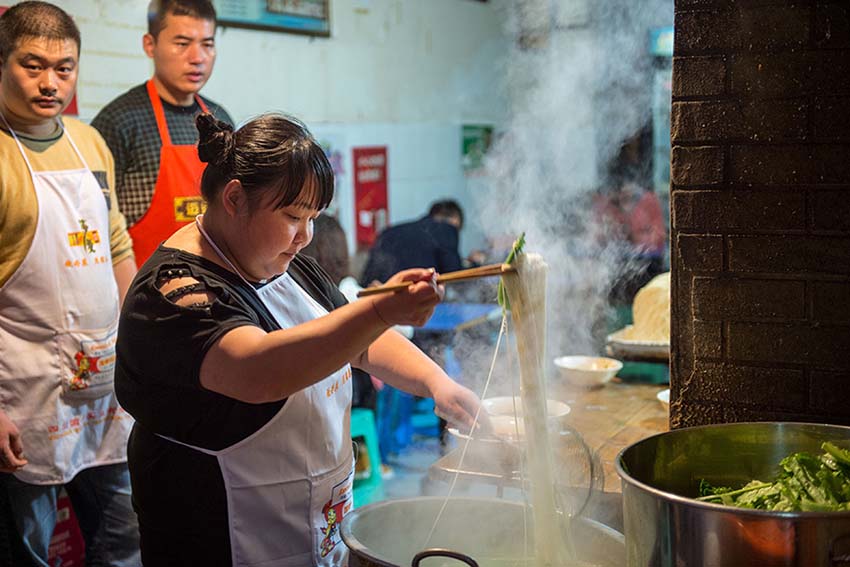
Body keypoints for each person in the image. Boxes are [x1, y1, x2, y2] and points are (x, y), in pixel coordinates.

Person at [114, 112, 484, 566]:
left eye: (313, 218)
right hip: (216, 541)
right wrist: (381, 309)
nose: (305, 237)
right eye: (292, 216)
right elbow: (259, 371)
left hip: (314, 531)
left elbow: (358, 339)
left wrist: (435, 382)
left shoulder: (283, 263)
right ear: (234, 199)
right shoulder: (173, 291)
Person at [0, 2, 140, 566]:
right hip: (23, 397)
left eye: (64, 67)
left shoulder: (89, 142)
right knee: (28, 552)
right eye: (32, 66)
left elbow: (118, 249)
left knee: (125, 539)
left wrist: (144, 345)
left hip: (106, 388)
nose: (50, 82)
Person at [92, 0, 232, 267]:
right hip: (144, 292)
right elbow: (95, 222)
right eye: (182, 43)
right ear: (149, 44)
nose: (197, 57)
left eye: (207, 44)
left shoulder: (220, 119)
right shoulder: (119, 121)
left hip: (216, 286)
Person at [359, 199, 465, 287]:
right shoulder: (446, 229)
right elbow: (455, 277)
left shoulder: (389, 232)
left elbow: (367, 280)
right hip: (418, 301)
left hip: (382, 299)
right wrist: (474, 264)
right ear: (455, 220)